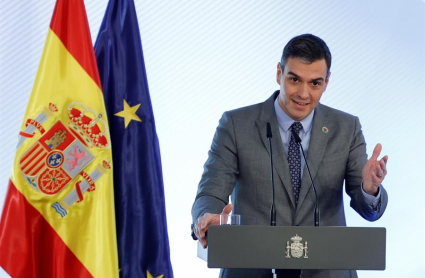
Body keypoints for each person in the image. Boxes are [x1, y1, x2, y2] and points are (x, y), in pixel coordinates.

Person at [191, 34, 388, 278]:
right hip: (252, 269)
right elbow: (210, 192)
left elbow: (368, 209)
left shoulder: (346, 128)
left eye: (315, 83)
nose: (303, 93)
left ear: (326, 83)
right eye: (294, 79)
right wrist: (206, 218)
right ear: (279, 73)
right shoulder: (236, 125)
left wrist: (369, 191)